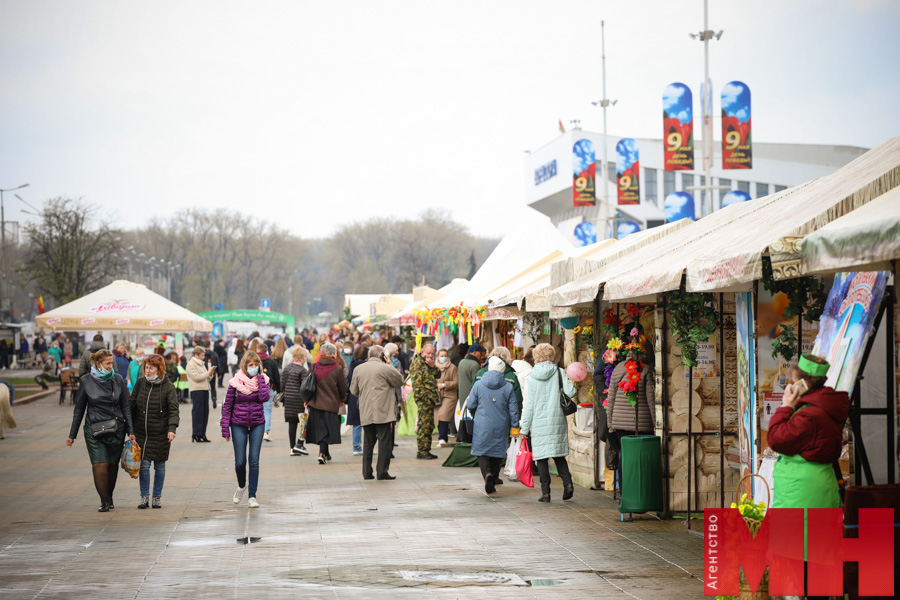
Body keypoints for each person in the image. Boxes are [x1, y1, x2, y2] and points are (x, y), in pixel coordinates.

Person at [768, 354, 849, 569]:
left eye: (794, 381)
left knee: (803, 561)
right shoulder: (822, 408)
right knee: (817, 556)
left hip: (803, 493)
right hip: (817, 486)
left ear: (804, 382)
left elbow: (777, 439)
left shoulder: (810, 415)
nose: (791, 385)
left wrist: (786, 406)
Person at [66, 349, 135, 512]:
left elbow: (126, 406)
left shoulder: (118, 379)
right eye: (108, 363)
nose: (111, 366)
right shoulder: (86, 380)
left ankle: (109, 497)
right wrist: (72, 435)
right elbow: (79, 409)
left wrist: (131, 430)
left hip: (116, 429)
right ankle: (104, 501)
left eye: (112, 363)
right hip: (93, 430)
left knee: (112, 465)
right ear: (98, 363)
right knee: (100, 464)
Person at [520, 343, 576, 503]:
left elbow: (529, 404)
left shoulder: (531, 377)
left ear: (536, 357)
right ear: (552, 356)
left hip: (538, 422)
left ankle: (546, 493)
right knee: (558, 455)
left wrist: (524, 428)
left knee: (542, 458)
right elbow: (571, 392)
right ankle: (568, 483)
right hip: (557, 418)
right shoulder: (559, 372)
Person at [130, 353, 179, 509]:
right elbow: (131, 405)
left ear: (159, 369)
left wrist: (172, 429)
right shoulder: (140, 383)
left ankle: (157, 497)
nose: (148, 370)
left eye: (151, 368)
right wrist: (129, 428)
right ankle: (144, 497)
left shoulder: (168, 387)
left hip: (161, 433)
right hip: (141, 433)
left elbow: (173, 410)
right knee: (144, 466)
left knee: (160, 466)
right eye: (146, 367)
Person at [221, 351, 270, 508]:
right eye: (250, 365)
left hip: (257, 423)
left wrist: (261, 378)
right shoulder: (235, 382)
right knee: (240, 462)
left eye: (256, 365)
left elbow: (264, 397)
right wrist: (225, 429)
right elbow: (227, 406)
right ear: (244, 366)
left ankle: (252, 496)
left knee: (254, 461)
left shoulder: (263, 380)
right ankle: (242, 486)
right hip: (238, 424)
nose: (254, 367)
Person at [350, 345, 404, 480]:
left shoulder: (358, 369)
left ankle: (367, 473)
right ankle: (382, 472)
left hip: (366, 411)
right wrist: (390, 365)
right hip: (383, 412)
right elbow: (399, 381)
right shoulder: (386, 368)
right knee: (384, 443)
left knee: (368, 443)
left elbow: (354, 391)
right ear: (382, 356)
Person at [467, 356, 519, 494]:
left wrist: (476, 413)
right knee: (498, 451)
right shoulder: (508, 386)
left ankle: (487, 475)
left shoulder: (478, 384)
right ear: (502, 371)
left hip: (482, 424)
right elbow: (514, 409)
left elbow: (470, 404)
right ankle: (494, 476)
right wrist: (515, 426)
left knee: (481, 451)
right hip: (502, 424)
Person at [304, 342, 347, 464]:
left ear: (322, 353)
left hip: (315, 403)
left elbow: (306, 384)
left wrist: (306, 400)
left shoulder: (314, 366)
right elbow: (342, 388)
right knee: (327, 429)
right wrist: (342, 399)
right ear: (333, 353)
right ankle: (322, 453)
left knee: (321, 428)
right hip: (331, 403)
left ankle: (325, 453)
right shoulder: (337, 369)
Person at [409, 343, 440, 459]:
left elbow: (438, 374)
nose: (431, 355)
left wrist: (433, 366)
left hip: (430, 399)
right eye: (429, 353)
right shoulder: (418, 364)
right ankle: (422, 451)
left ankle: (426, 449)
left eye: (432, 353)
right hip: (424, 400)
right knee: (424, 425)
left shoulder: (429, 363)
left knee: (429, 425)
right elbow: (417, 385)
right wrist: (425, 398)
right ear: (423, 352)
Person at [281, 345, 309, 456]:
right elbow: (304, 387)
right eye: (305, 357)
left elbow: (282, 385)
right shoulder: (302, 370)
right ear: (301, 358)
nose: (306, 359)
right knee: (302, 423)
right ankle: (299, 444)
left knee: (292, 424)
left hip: (288, 399)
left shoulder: (287, 368)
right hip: (299, 399)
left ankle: (292, 448)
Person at [186, 346, 216, 443]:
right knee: (198, 413)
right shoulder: (191, 364)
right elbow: (197, 377)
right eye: (202, 356)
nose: (203, 358)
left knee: (204, 413)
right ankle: (196, 433)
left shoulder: (201, 364)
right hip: (197, 390)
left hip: (205, 389)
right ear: (196, 355)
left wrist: (210, 374)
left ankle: (202, 433)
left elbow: (206, 378)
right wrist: (208, 373)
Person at [345, 345, 368, 455]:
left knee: (357, 424)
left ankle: (356, 447)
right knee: (369, 423)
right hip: (366, 395)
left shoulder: (352, 365)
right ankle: (368, 446)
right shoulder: (367, 366)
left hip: (354, 396)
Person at [256, 342, 280, 442]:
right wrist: (279, 389)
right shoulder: (272, 362)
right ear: (266, 351)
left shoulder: (253, 361)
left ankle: (256, 430)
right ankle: (266, 431)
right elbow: (276, 376)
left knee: (256, 410)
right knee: (267, 410)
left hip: (255, 388)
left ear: (258, 350)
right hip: (268, 388)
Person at [434, 348, 458, 447]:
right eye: (441, 356)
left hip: (449, 396)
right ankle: (443, 437)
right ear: (438, 357)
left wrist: (444, 385)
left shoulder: (452, 367)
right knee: (438, 416)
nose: (443, 358)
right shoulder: (434, 367)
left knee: (443, 415)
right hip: (438, 396)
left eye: (445, 356)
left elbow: (456, 382)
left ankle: (442, 438)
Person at [457, 344, 485, 417]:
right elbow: (478, 384)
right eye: (480, 352)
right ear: (475, 352)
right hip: (471, 401)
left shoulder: (461, 362)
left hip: (462, 400)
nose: (481, 355)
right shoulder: (475, 365)